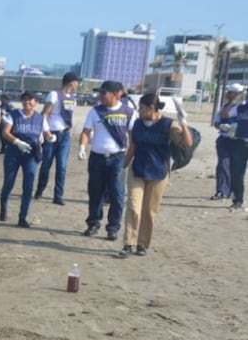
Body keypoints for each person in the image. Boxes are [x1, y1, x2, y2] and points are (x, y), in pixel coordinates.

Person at [118, 94, 193, 257]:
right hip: (137, 170)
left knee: (149, 211)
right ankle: (129, 243)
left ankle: (142, 244)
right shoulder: (137, 124)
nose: (139, 111)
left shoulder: (168, 125)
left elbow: (187, 143)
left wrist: (183, 123)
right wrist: (122, 168)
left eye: (142, 108)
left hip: (158, 173)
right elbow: (132, 147)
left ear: (151, 108)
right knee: (133, 207)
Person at [77, 80, 136, 240]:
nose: (100, 95)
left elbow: (133, 138)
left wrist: (129, 158)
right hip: (97, 157)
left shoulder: (129, 112)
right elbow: (86, 131)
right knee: (95, 192)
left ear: (117, 94)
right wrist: (82, 147)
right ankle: (93, 223)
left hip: (118, 157)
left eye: (104, 92)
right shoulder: (95, 111)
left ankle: (113, 227)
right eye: (100, 93)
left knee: (117, 193)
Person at [0, 92, 52, 227]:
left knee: (28, 186)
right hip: (14, 153)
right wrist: (17, 142)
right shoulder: (14, 115)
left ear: (35, 102)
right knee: (8, 183)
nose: (27, 103)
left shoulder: (40, 118)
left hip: (31, 154)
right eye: (25, 100)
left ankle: (23, 216)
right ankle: (3, 207)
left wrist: (50, 137)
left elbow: (46, 132)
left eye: (30, 100)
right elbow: (5, 132)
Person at [35, 72, 80, 205]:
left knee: (62, 166)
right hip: (51, 134)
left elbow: (69, 115)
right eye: (77, 82)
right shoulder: (54, 94)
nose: (78, 84)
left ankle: (58, 195)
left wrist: (70, 129)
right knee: (46, 165)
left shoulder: (72, 97)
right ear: (71, 82)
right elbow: (44, 114)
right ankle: (39, 190)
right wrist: (46, 132)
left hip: (65, 135)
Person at [211, 83, 244, 201]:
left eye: (230, 92)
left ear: (236, 94)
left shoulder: (242, 107)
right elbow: (216, 121)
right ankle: (221, 190)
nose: (227, 94)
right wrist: (222, 126)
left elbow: (226, 114)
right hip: (224, 139)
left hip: (238, 141)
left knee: (236, 168)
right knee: (223, 165)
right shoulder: (224, 106)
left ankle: (233, 192)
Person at [225, 85, 248, 211]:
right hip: (240, 143)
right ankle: (238, 200)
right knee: (237, 174)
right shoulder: (240, 107)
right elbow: (226, 114)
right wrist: (234, 102)